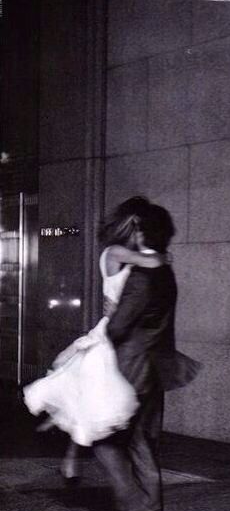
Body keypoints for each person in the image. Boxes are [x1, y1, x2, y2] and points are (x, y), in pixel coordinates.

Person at [23, 197, 167, 470]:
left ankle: (69, 456)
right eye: (139, 228)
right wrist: (160, 254)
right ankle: (70, 450)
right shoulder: (114, 252)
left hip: (116, 328)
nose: (141, 234)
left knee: (89, 396)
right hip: (111, 331)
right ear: (132, 227)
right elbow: (154, 262)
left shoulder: (123, 256)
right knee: (91, 394)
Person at [91, 201, 201, 511]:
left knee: (104, 440)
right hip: (154, 368)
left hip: (130, 368)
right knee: (143, 445)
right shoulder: (165, 272)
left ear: (140, 231)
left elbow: (119, 328)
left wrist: (88, 346)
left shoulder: (141, 278)